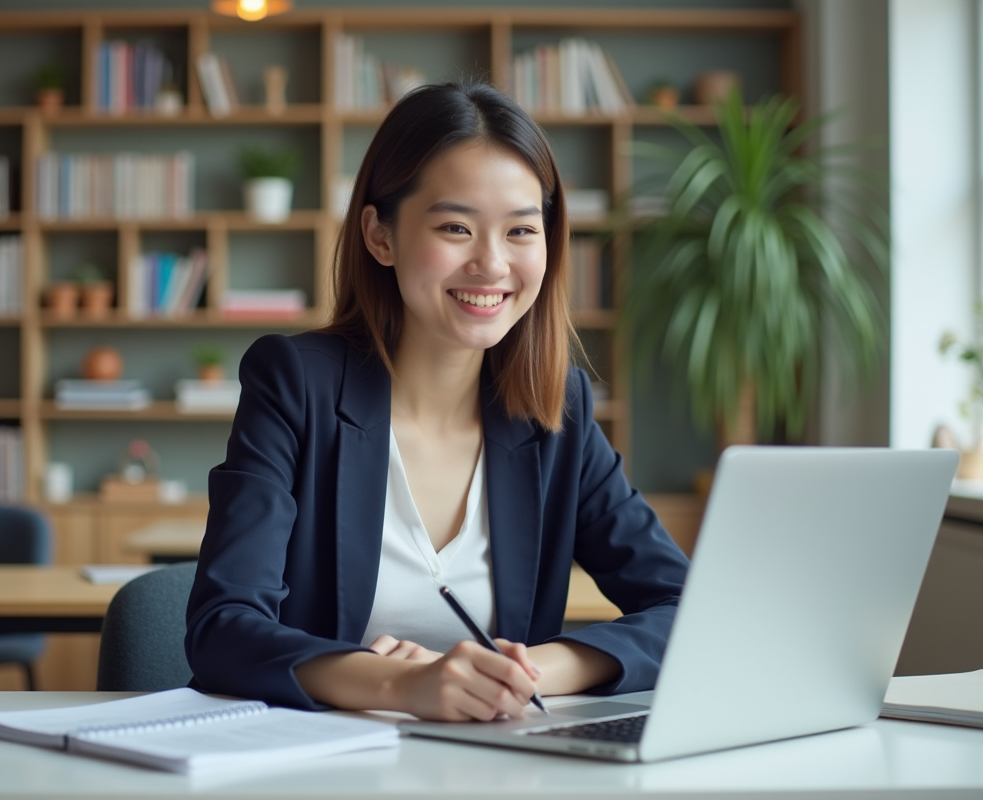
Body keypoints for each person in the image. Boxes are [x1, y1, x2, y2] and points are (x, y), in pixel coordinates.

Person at [185, 79, 689, 722]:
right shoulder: (297, 385)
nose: (492, 264)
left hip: (499, 767)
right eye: (456, 227)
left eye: (520, 231)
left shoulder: (557, 408)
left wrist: (527, 672)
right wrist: (398, 686)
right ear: (380, 235)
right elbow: (221, 630)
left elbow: (686, 609)